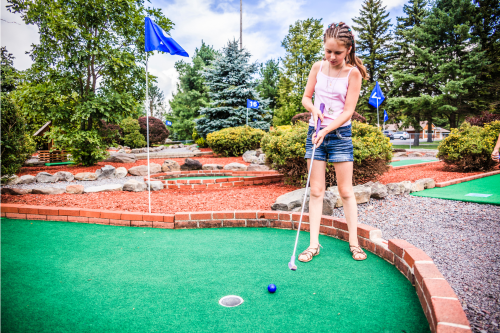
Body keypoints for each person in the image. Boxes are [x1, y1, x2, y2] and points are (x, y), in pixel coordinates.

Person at [299, 22, 369, 262]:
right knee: (316, 191)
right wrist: (313, 111)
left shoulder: (353, 73)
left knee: (346, 191)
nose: (331, 56)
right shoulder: (318, 67)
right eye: (328, 51)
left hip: (339, 135)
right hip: (314, 132)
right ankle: (313, 244)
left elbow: (348, 111)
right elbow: (306, 98)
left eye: (337, 52)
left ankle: (354, 243)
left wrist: (327, 128)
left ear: (348, 49)